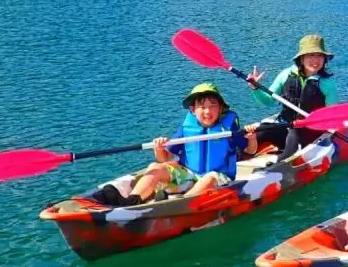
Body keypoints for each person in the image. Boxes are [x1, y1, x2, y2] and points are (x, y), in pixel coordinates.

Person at [92, 83, 258, 207]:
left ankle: (179, 204)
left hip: (218, 177)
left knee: (209, 178)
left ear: (220, 108)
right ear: (193, 110)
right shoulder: (187, 128)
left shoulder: (228, 127)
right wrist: (159, 148)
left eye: (212, 106)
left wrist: (251, 137)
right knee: (155, 167)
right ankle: (133, 200)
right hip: (189, 174)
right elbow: (164, 159)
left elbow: (250, 150)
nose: (207, 112)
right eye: (202, 107)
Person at [246, 34, 338, 160]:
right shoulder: (285, 75)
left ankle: (279, 165)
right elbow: (268, 101)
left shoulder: (327, 84)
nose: (316, 60)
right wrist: (255, 88)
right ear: (301, 58)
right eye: (311, 55)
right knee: (255, 133)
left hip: (309, 131)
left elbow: (332, 115)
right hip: (284, 125)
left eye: (320, 55)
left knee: (294, 134)